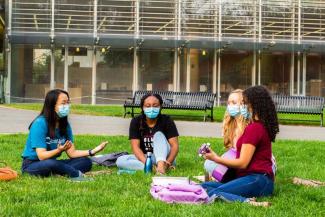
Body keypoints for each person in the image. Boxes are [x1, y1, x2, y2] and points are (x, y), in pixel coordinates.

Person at [201, 86, 279, 206]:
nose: (241, 107)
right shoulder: (255, 126)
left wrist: (216, 158)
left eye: (244, 103)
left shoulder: (255, 128)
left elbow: (243, 163)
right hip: (248, 179)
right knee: (202, 187)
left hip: (257, 180)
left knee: (212, 192)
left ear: (253, 104)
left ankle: (249, 203)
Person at [21, 89, 108, 181]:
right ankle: (76, 175)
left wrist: (92, 151)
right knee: (52, 164)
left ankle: (59, 172)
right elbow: (42, 156)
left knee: (85, 161)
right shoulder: (39, 123)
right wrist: (58, 150)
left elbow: (72, 153)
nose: (67, 106)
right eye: (63, 103)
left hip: (52, 162)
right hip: (32, 165)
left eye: (68, 103)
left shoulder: (65, 125)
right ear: (52, 105)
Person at [116, 93, 179, 174]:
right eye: (148, 106)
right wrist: (147, 163)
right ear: (143, 107)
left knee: (159, 135)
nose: (152, 108)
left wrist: (167, 163)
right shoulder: (136, 121)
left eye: (155, 105)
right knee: (120, 160)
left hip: (166, 158)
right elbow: (135, 148)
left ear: (160, 107)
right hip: (147, 157)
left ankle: (161, 166)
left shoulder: (167, 120)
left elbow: (175, 146)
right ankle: (153, 169)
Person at [204, 89, 249, 182]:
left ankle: (228, 179)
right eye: (229, 103)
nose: (230, 106)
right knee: (208, 163)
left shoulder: (249, 127)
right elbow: (231, 151)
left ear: (244, 105)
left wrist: (218, 159)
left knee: (212, 164)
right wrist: (215, 157)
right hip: (234, 162)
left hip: (245, 164)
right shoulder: (231, 126)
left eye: (234, 102)